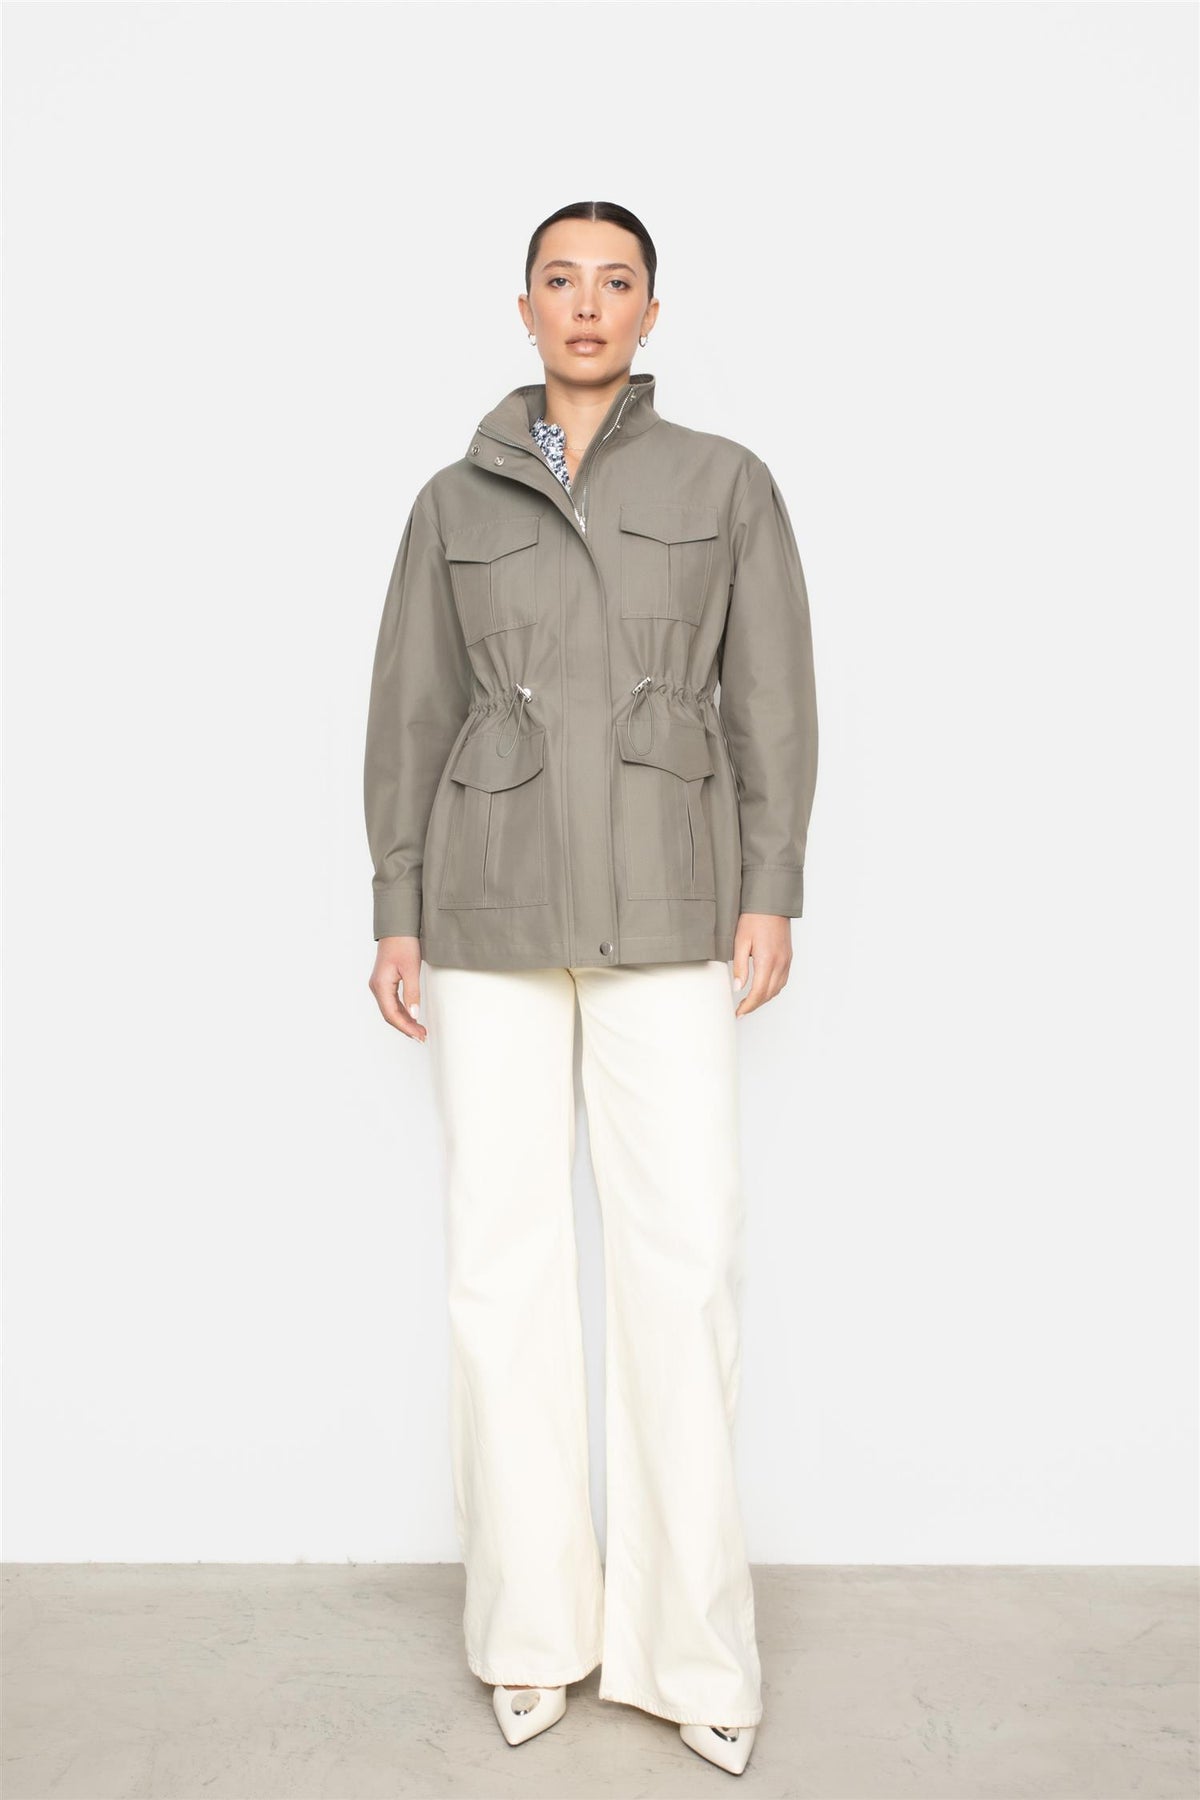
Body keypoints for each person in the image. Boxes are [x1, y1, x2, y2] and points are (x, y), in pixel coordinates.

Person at [363, 200, 819, 1779]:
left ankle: (693, 1654)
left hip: (672, 903)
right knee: (502, 1274)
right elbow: (409, 715)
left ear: (648, 312)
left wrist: (770, 886)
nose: (586, 304)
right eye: (560, 279)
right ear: (524, 307)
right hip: (486, 906)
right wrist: (397, 907)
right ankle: (530, 1636)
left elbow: (772, 703)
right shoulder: (449, 500)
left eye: (615, 281)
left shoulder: (725, 481)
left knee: (681, 1270)